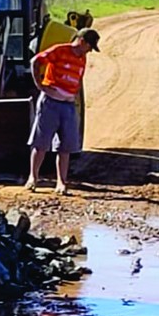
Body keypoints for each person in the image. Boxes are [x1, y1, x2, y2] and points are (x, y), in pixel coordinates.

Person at [26, 28, 99, 193]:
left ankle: (61, 183)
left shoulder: (82, 58)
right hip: (50, 102)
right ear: (82, 42)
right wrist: (40, 85)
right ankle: (33, 177)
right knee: (41, 143)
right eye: (89, 46)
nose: (89, 51)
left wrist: (75, 98)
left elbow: (78, 80)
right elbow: (35, 61)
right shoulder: (59, 51)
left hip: (68, 106)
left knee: (65, 147)